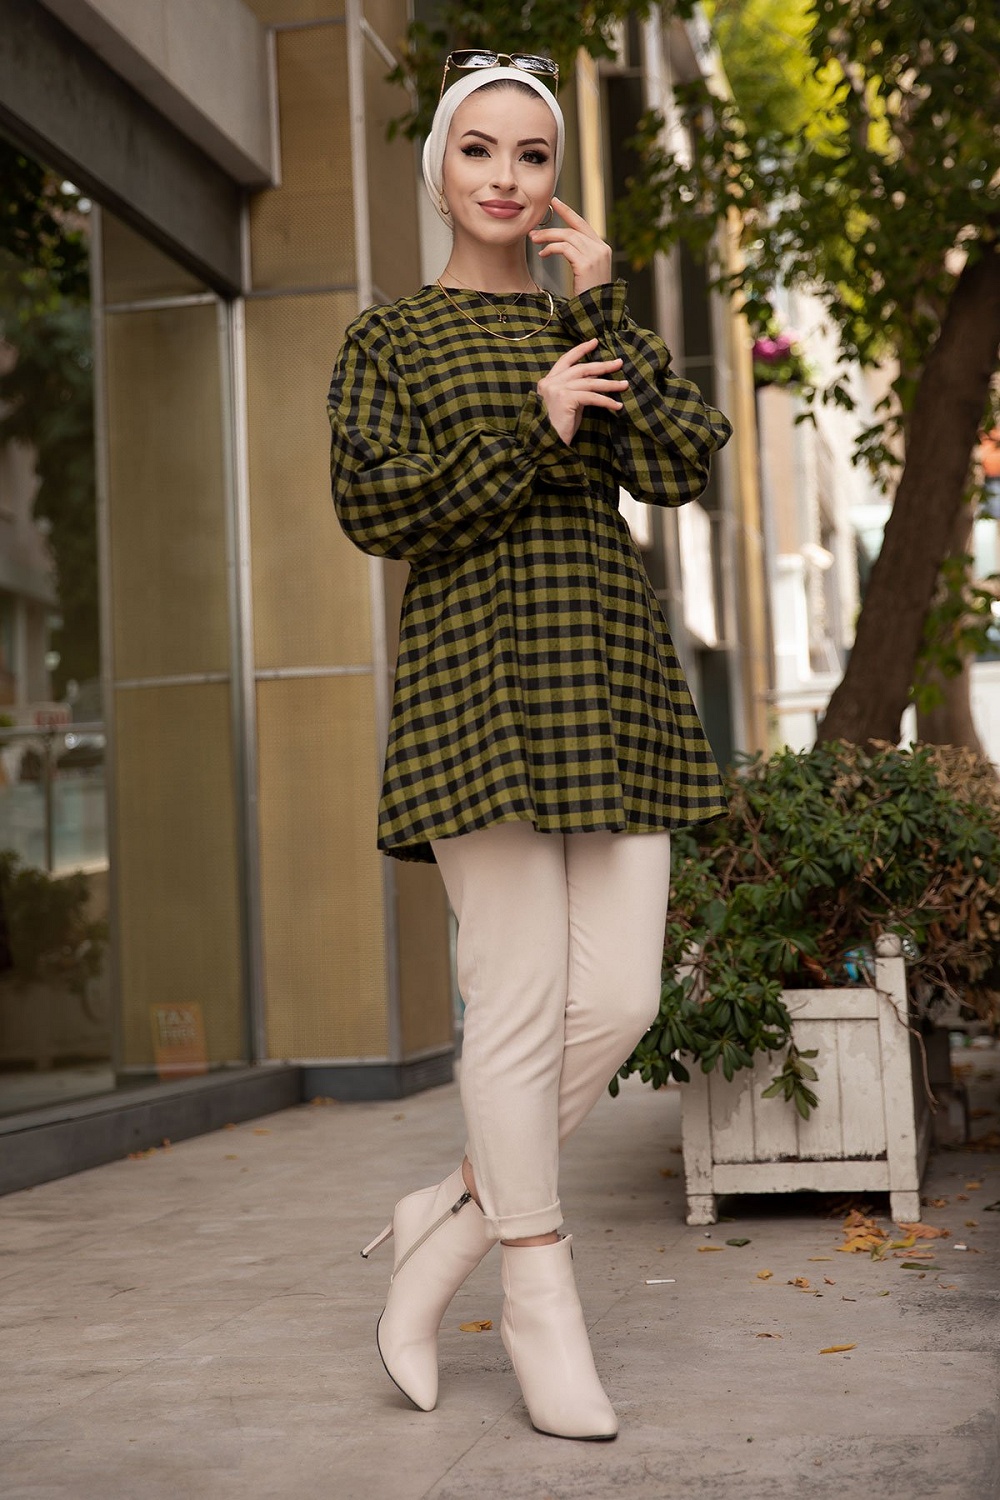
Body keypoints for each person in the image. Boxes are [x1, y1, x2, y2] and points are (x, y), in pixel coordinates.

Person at [326, 51, 732, 1442]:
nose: (506, 178)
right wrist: (533, 419)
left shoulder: (588, 323)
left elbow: (676, 467)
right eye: (479, 150)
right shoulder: (388, 340)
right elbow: (379, 511)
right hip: (474, 685)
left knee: (619, 999)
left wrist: (606, 306)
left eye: (533, 154)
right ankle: (539, 1293)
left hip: (607, 679)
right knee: (512, 1004)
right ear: (438, 168)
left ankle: (447, 1224)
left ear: (557, 176)